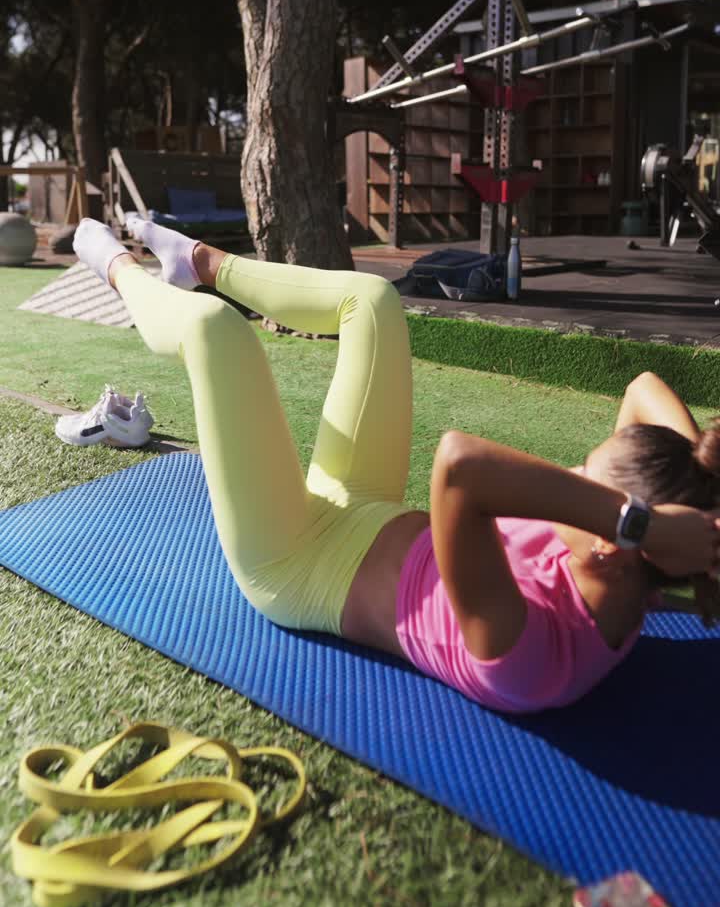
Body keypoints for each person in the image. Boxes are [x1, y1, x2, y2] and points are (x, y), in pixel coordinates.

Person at [73, 217, 720, 714]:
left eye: (585, 478)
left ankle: (117, 270)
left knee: (216, 334)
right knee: (374, 303)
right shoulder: (628, 570)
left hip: (297, 564)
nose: (571, 482)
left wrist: (640, 521)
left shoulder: (530, 652)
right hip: (367, 504)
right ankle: (199, 261)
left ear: (615, 544)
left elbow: (461, 466)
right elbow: (642, 388)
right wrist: (700, 512)